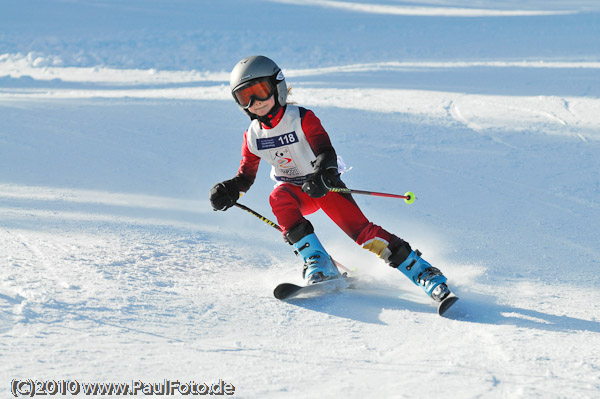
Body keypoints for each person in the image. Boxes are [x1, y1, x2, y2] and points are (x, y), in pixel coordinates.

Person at [209, 55, 450, 302]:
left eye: (260, 91)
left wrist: (324, 173)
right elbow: (245, 176)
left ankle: (424, 273)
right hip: (294, 191)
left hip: (324, 187)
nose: (255, 102)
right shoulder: (252, 136)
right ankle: (318, 262)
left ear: (277, 86)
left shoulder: (301, 118)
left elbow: (325, 150)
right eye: (244, 97)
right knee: (278, 196)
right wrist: (229, 190)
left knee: (364, 235)